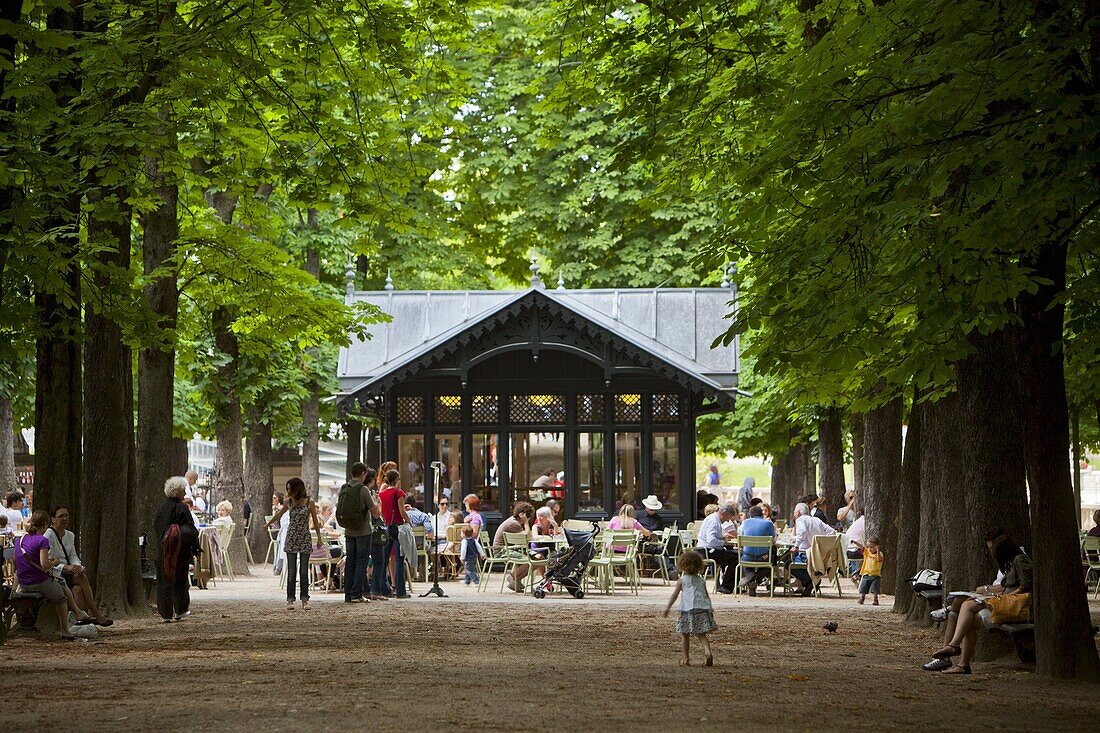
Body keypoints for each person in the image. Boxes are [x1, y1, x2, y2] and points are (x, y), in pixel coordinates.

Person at [931, 535, 1032, 675]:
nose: (992, 555)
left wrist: (1003, 597)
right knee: (968, 616)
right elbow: (1005, 586)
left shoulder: (1020, 560)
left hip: (1015, 606)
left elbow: (1025, 586)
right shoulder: (1011, 564)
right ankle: (962, 664)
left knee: (967, 606)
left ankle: (954, 647)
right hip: (1006, 602)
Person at [14, 510, 94, 639]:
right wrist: (55, 562)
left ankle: (78, 613)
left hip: (23, 581)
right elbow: (45, 564)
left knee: (61, 582)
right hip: (38, 581)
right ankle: (65, 630)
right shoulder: (42, 540)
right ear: (46, 524)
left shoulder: (20, 540)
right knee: (61, 598)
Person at [46, 504, 112, 626]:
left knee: (77, 590)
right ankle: (95, 614)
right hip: (56, 572)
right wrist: (66, 567)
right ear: (53, 519)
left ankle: (81, 621)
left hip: (69, 572)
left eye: (66, 515)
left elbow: (73, 555)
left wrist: (77, 566)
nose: (65, 518)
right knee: (82, 578)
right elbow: (48, 561)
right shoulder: (49, 535)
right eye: (61, 516)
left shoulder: (70, 535)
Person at [266, 477, 324, 610]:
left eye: (289, 488)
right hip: (292, 537)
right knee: (292, 571)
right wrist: (268, 524)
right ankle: (290, 599)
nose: (288, 491)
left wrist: (319, 538)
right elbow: (279, 515)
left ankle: (305, 599)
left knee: (304, 571)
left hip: (304, 537)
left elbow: (315, 521)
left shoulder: (309, 502)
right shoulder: (289, 502)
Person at [155, 476, 202, 622]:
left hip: (164, 551)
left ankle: (165, 614)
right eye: (183, 490)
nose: (184, 493)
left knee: (164, 580)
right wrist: (196, 548)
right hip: (180, 551)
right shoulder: (182, 508)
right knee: (181, 580)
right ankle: (180, 610)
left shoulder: (162, 508)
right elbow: (191, 529)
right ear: (178, 491)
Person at [662, 550, 716, 667]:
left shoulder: (682, 581)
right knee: (701, 633)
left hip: (687, 610)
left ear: (682, 565)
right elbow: (706, 595)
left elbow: (674, 595)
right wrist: (710, 608)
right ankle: (707, 651)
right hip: (701, 608)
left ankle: (686, 659)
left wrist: (668, 608)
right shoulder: (701, 580)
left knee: (685, 635)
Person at [338, 463, 379, 604]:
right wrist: (376, 502)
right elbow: (375, 512)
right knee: (361, 562)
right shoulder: (363, 489)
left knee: (350, 562)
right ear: (362, 473)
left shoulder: (344, 488)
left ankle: (348, 594)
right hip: (363, 531)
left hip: (348, 531)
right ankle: (357, 594)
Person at [790, 502, 837, 596]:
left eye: (795, 512)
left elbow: (802, 532)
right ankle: (811, 582)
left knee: (788, 563)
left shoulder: (800, 520)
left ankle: (809, 581)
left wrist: (796, 546)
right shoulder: (817, 520)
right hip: (820, 556)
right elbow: (832, 532)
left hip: (806, 555)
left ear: (798, 513)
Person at [379, 468, 411, 599]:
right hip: (397, 527)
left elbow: (381, 512)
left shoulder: (381, 494)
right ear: (397, 480)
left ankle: (384, 588)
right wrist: (408, 522)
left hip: (386, 527)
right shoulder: (399, 493)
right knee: (399, 559)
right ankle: (401, 591)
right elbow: (402, 511)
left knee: (384, 560)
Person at [694, 504, 738, 594]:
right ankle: (726, 586)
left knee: (732, 555)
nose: (728, 520)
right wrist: (723, 542)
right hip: (707, 551)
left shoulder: (713, 519)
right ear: (724, 514)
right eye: (728, 518)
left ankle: (726, 584)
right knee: (736, 558)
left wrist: (722, 537)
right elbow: (711, 541)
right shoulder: (714, 521)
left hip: (706, 549)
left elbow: (712, 537)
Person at [493, 501, 534, 592]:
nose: (530, 518)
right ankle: (513, 577)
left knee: (538, 558)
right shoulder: (513, 523)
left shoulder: (513, 521)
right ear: (522, 515)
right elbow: (526, 537)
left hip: (510, 549)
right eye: (529, 516)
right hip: (501, 551)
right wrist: (526, 522)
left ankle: (515, 580)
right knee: (529, 561)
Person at [636, 494, 679, 579]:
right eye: (651, 509)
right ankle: (671, 569)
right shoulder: (638, 516)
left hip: (655, 542)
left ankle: (671, 570)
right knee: (658, 550)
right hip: (642, 542)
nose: (653, 511)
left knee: (660, 550)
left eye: (654, 510)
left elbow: (660, 530)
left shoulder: (658, 518)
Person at [738, 505, 775, 596]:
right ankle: (757, 579)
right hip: (763, 557)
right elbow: (773, 540)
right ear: (761, 514)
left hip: (748, 556)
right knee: (772, 560)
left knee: (744, 560)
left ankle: (750, 577)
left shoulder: (745, 523)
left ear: (750, 515)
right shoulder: (769, 523)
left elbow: (741, 536)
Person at [857, 537, 884, 605]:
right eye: (869, 547)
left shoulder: (880, 554)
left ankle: (875, 599)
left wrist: (877, 551)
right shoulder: (867, 552)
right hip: (866, 573)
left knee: (875, 588)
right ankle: (862, 598)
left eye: (871, 547)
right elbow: (862, 547)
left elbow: (879, 560)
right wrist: (855, 542)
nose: (870, 548)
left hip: (875, 574)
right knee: (863, 587)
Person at [846, 514, 866, 583]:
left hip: (848, 551)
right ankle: (857, 573)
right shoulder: (864, 522)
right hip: (853, 551)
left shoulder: (858, 522)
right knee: (870, 555)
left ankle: (858, 573)